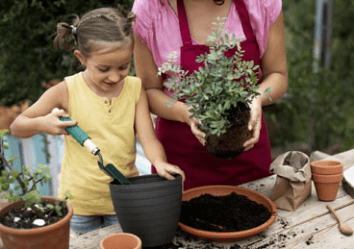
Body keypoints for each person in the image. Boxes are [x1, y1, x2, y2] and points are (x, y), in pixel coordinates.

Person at [10, 5, 185, 235]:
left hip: (123, 199)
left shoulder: (135, 89)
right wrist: (43, 124)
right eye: (103, 69)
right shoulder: (67, 90)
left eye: (123, 66)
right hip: (79, 205)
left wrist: (160, 163)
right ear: (81, 58)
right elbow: (17, 126)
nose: (114, 76)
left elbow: (149, 140)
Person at [132, 0, 288, 190]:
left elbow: (277, 75)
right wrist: (184, 112)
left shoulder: (260, 4)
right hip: (181, 164)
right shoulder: (150, 9)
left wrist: (256, 97)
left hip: (246, 154)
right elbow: (149, 90)